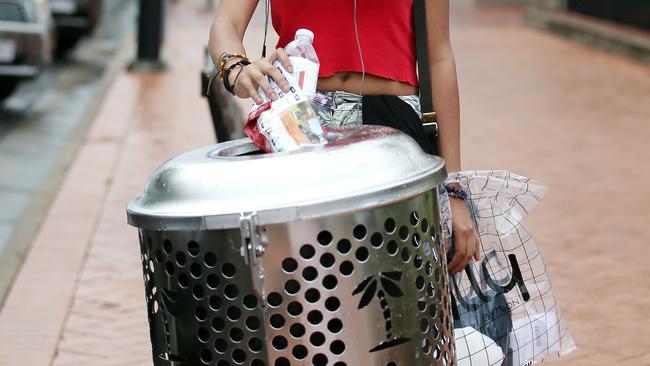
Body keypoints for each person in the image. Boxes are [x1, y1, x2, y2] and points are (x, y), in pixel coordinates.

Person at [208, 0, 479, 274]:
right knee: (302, 276)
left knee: (403, 281)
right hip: (299, 122)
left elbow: (439, 58)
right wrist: (235, 68)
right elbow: (226, 22)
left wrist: (453, 188)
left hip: (393, 131)